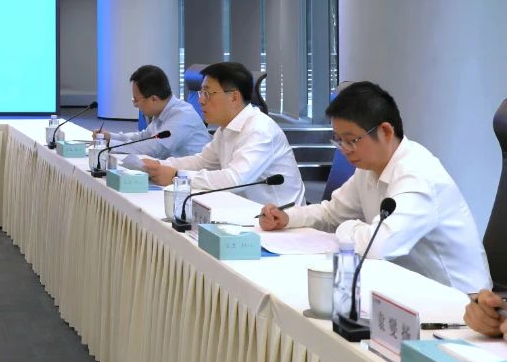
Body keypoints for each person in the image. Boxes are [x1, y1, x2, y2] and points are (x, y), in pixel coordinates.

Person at [257, 82, 489, 293]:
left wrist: (348, 227)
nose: (344, 149)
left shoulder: (417, 175)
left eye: (351, 140)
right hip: (407, 288)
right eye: (338, 140)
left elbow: (378, 246)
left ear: (385, 131)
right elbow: (331, 213)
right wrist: (288, 217)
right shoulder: (368, 168)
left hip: (460, 302)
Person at [144, 61, 304, 207]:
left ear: (234, 97)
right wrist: (160, 165)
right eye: (201, 93)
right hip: (246, 212)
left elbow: (235, 179)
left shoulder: (259, 129)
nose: (201, 100)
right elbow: (202, 162)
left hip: (281, 220)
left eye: (208, 93)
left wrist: (178, 176)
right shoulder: (225, 128)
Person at [95, 65, 211, 168]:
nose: (135, 105)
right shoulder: (162, 110)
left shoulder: (183, 116)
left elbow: (155, 148)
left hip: (190, 176)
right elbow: (143, 137)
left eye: (136, 100)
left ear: (153, 99)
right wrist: (110, 137)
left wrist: (110, 145)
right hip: (171, 171)